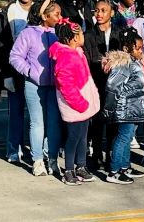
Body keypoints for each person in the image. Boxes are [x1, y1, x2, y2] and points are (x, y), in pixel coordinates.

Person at [0, 0, 37, 164]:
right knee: (15, 112)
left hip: (36, 69)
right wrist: (5, 72)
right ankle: (13, 150)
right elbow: (2, 44)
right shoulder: (8, 12)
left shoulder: (41, 10)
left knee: (37, 115)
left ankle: (39, 151)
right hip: (15, 68)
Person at [9, 0, 62, 176]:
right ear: (44, 16)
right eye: (56, 14)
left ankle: (52, 157)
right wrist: (30, 72)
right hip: (34, 85)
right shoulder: (28, 33)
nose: (59, 17)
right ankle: (37, 159)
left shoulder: (58, 33)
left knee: (53, 123)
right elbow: (15, 57)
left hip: (56, 85)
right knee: (37, 123)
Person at [50, 19, 101, 185]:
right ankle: (69, 170)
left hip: (84, 104)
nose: (83, 36)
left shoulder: (77, 52)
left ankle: (81, 165)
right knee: (73, 138)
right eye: (80, 34)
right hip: (75, 106)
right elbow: (66, 87)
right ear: (72, 38)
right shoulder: (65, 57)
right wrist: (81, 104)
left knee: (83, 137)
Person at [102, 28, 144, 184]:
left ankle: (124, 166)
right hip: (126, 108)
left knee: (128, 137)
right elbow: (112, 86)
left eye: (141, 47)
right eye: (137, 48)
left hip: (135, 108)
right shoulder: (124, 64)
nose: (140, 50)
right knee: (123, 138)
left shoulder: (134, 62)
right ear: (126, 49)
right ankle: (114, 170)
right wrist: (109, 109)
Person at [84, 0, 121, 169]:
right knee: (97, 121)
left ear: (112, 13)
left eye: (103, 11)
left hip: (115, 85)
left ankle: (112, 154)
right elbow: (87, 60)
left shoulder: (119, 33)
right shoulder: (89, 35)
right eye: (96, 11)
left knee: (113, 121)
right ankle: (96, 153)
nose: (99, 14)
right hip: (97, 83)